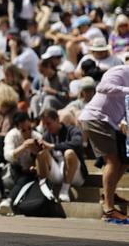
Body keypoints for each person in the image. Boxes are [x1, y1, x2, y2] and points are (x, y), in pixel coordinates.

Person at [78, 65, 129, 223]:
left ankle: (109, 195)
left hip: (109, 122)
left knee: (123, 161)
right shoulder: (121, 70)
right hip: (97, 118)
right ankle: (108, 209)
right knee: (112, 161)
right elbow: (102, 87)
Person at [36, 108, 87, 203]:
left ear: (57, 120)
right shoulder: (47, 135)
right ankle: (44, 190)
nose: (47, 127)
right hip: (58, 171)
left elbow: (77, 143)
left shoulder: (72, 130)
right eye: (44, 124)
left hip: (75, 173)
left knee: (69, 153)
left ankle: (64, 190)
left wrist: (53, 146)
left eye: (49, 123)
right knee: (41, 154)